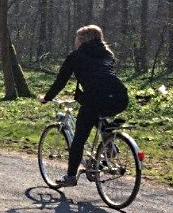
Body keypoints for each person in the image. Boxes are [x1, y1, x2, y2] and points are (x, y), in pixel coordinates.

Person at [39, 24, 129, 187]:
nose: (75, 41)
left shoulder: (75, 56)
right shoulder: (107, 54)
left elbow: (61, 81)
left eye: (76, 38)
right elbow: (103, 77)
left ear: (81, 40)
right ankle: (109, 143)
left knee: (79, 138)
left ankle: (70, 176)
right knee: (97, 114)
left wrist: (47, 98)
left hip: (95, 98)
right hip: (120, 97)